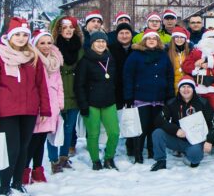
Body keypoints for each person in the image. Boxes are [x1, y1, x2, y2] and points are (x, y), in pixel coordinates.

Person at [0, 17, 51, 196]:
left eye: (24, 35)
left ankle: (17, 183)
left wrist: (44, 109)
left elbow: (41, 84)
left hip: (29, 110)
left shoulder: (32, 56)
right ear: (10, 36)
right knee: (11, 148)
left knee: (24, 148)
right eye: (17, 35)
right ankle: (4, 186)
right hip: (7, 112)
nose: (21, 38)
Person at [123, 27, 175, 163]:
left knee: (155, 126)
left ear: (158, 41)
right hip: (141, 97)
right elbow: (128, 76)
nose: (151, 41)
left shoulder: (163, 55)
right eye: (149, 38)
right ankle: (138, 154)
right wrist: (128, 96)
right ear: (144, 40)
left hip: (159, 97)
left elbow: (169, 75)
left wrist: (169, 93)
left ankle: (152, 152)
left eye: (154, 38)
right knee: (141, 128)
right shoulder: (135, 55)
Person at [150, 76, 214, 170]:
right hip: (178, 139)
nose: (186, 89)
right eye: (183, 87)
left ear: (193, 89)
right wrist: (175, 130)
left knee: (195, 159)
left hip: (195, 142)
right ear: (179, 89)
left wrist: (209, 140)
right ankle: (160, 161)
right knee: (158, 133)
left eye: (189, 87)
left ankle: (189, 157)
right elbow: (159, 120)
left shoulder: (202, 102)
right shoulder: (172, 102)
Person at [75, 31, 121, 171]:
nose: (101, 44)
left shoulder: (110, 59)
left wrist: (117, 99)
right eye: (97, 41)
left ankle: (109, 158)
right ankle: (95, 161)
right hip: (91, 104)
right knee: (93, 134)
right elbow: (79, 85)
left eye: (103, 41)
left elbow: (115, 81)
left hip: (109, 102)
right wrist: (83, 104)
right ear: (92, 44)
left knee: (114, 132)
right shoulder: (85, 61)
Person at [25, 29, 65, 185]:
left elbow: (59, 84)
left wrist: (60, 103)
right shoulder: (32, 60)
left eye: (49, 43)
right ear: (35, 44)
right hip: (38, 106)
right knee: (32, 140)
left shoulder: (54, 60)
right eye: (42, 43)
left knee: (41, 141)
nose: (46, 46)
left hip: (52, 105)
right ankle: (24, 170)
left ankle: (37, 169)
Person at [182, 29, 214, 154]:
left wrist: (208, 62)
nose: (211, 40)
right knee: (196, 115)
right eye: (208, 38)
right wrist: (197, 65)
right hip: (198, 89)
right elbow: (186, 66)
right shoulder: (196, 51)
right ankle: (197, 142)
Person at [51, 15, 83, 169]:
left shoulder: (79, 46)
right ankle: (53, 159)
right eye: (65, 28)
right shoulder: (52, 47)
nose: (68, 30)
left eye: (71, 27)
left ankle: (64, 156)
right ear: (58, 30)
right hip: (58, 90)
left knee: (69, 127)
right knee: (54, 127)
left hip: (75, 90)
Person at [109, 22, 135, 155]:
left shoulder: (136, 49)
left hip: (133, 89)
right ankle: (111, 145)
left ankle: (131, 144)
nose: (124, 36)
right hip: (115, 89)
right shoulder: (110, 49)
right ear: (117, 35)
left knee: (131, 118)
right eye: (121, 33)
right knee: (116, 118)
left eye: (127, 33)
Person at [167, 26, 191, 92]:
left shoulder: (190, 51)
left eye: (182, 37)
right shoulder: (167, 52)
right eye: (176, 37)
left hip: (187, 87)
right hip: (172, 86)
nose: (179, 39)